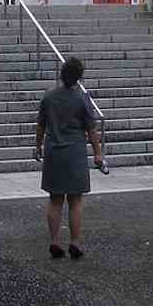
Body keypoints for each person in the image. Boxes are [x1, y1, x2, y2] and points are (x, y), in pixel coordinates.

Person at [36, 57, 103, 259]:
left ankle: (55, 241)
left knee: (55, 199)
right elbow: (91, 130)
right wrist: (98, 154)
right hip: (75, 152)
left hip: (54, 150)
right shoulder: (82, 99)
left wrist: (38, 145)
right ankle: (75, 241)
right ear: (79, 78)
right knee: (75, 200)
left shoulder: (49, 97)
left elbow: (41, 126)